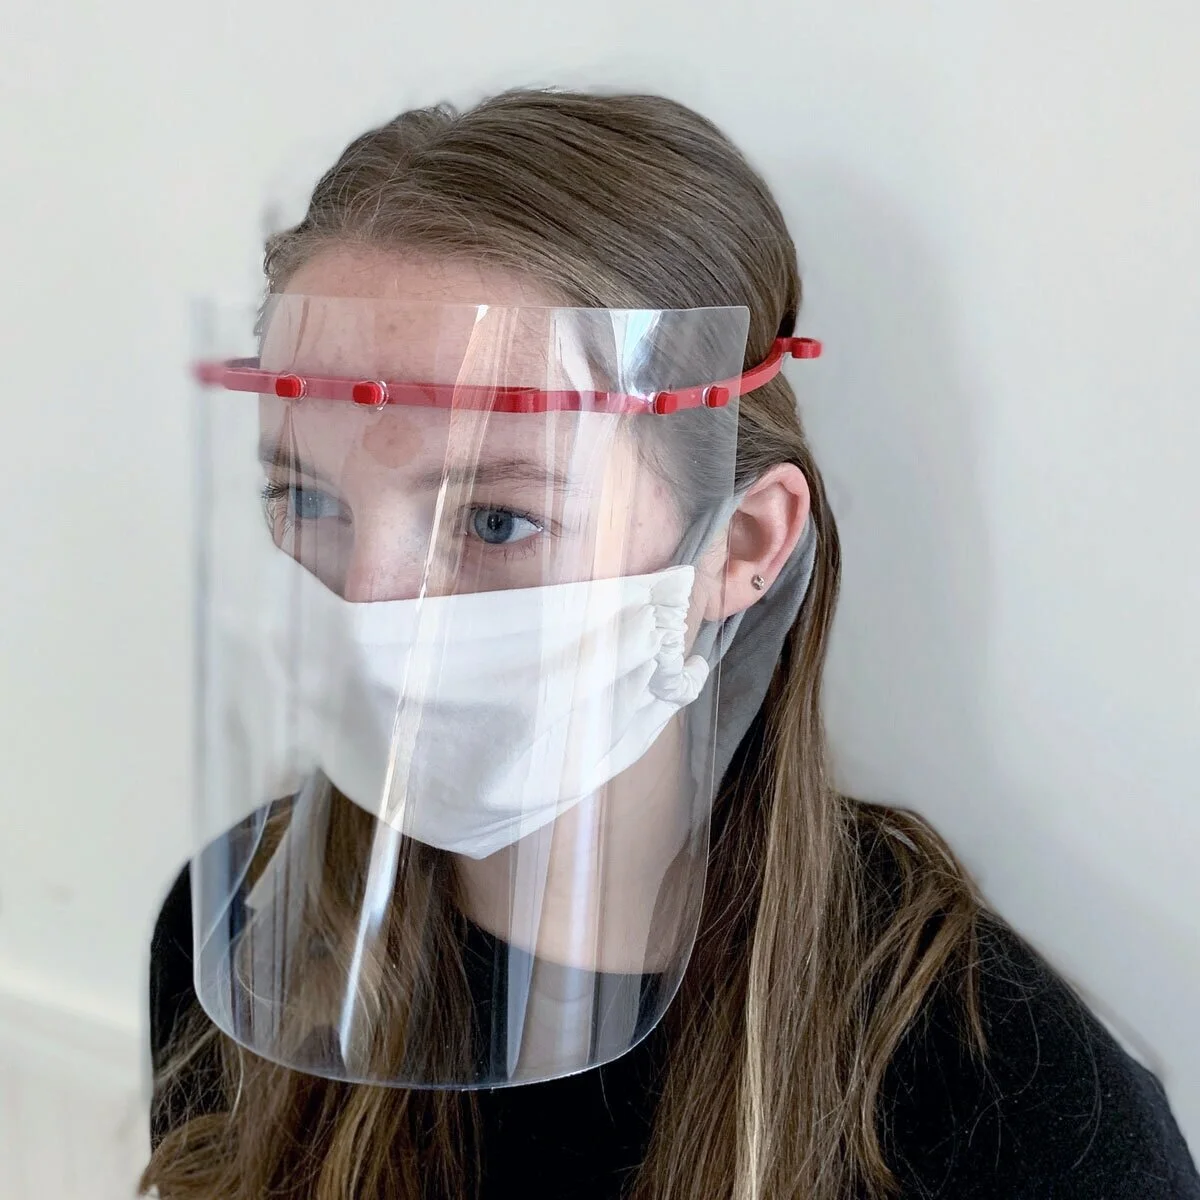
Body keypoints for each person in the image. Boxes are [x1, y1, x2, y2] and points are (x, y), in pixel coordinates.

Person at [142, 89, 1199, 1200]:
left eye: (495, 520)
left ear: (740, 544)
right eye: (309, 500)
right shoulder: (245, 940)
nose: (367, 611)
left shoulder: (1021, 1122)